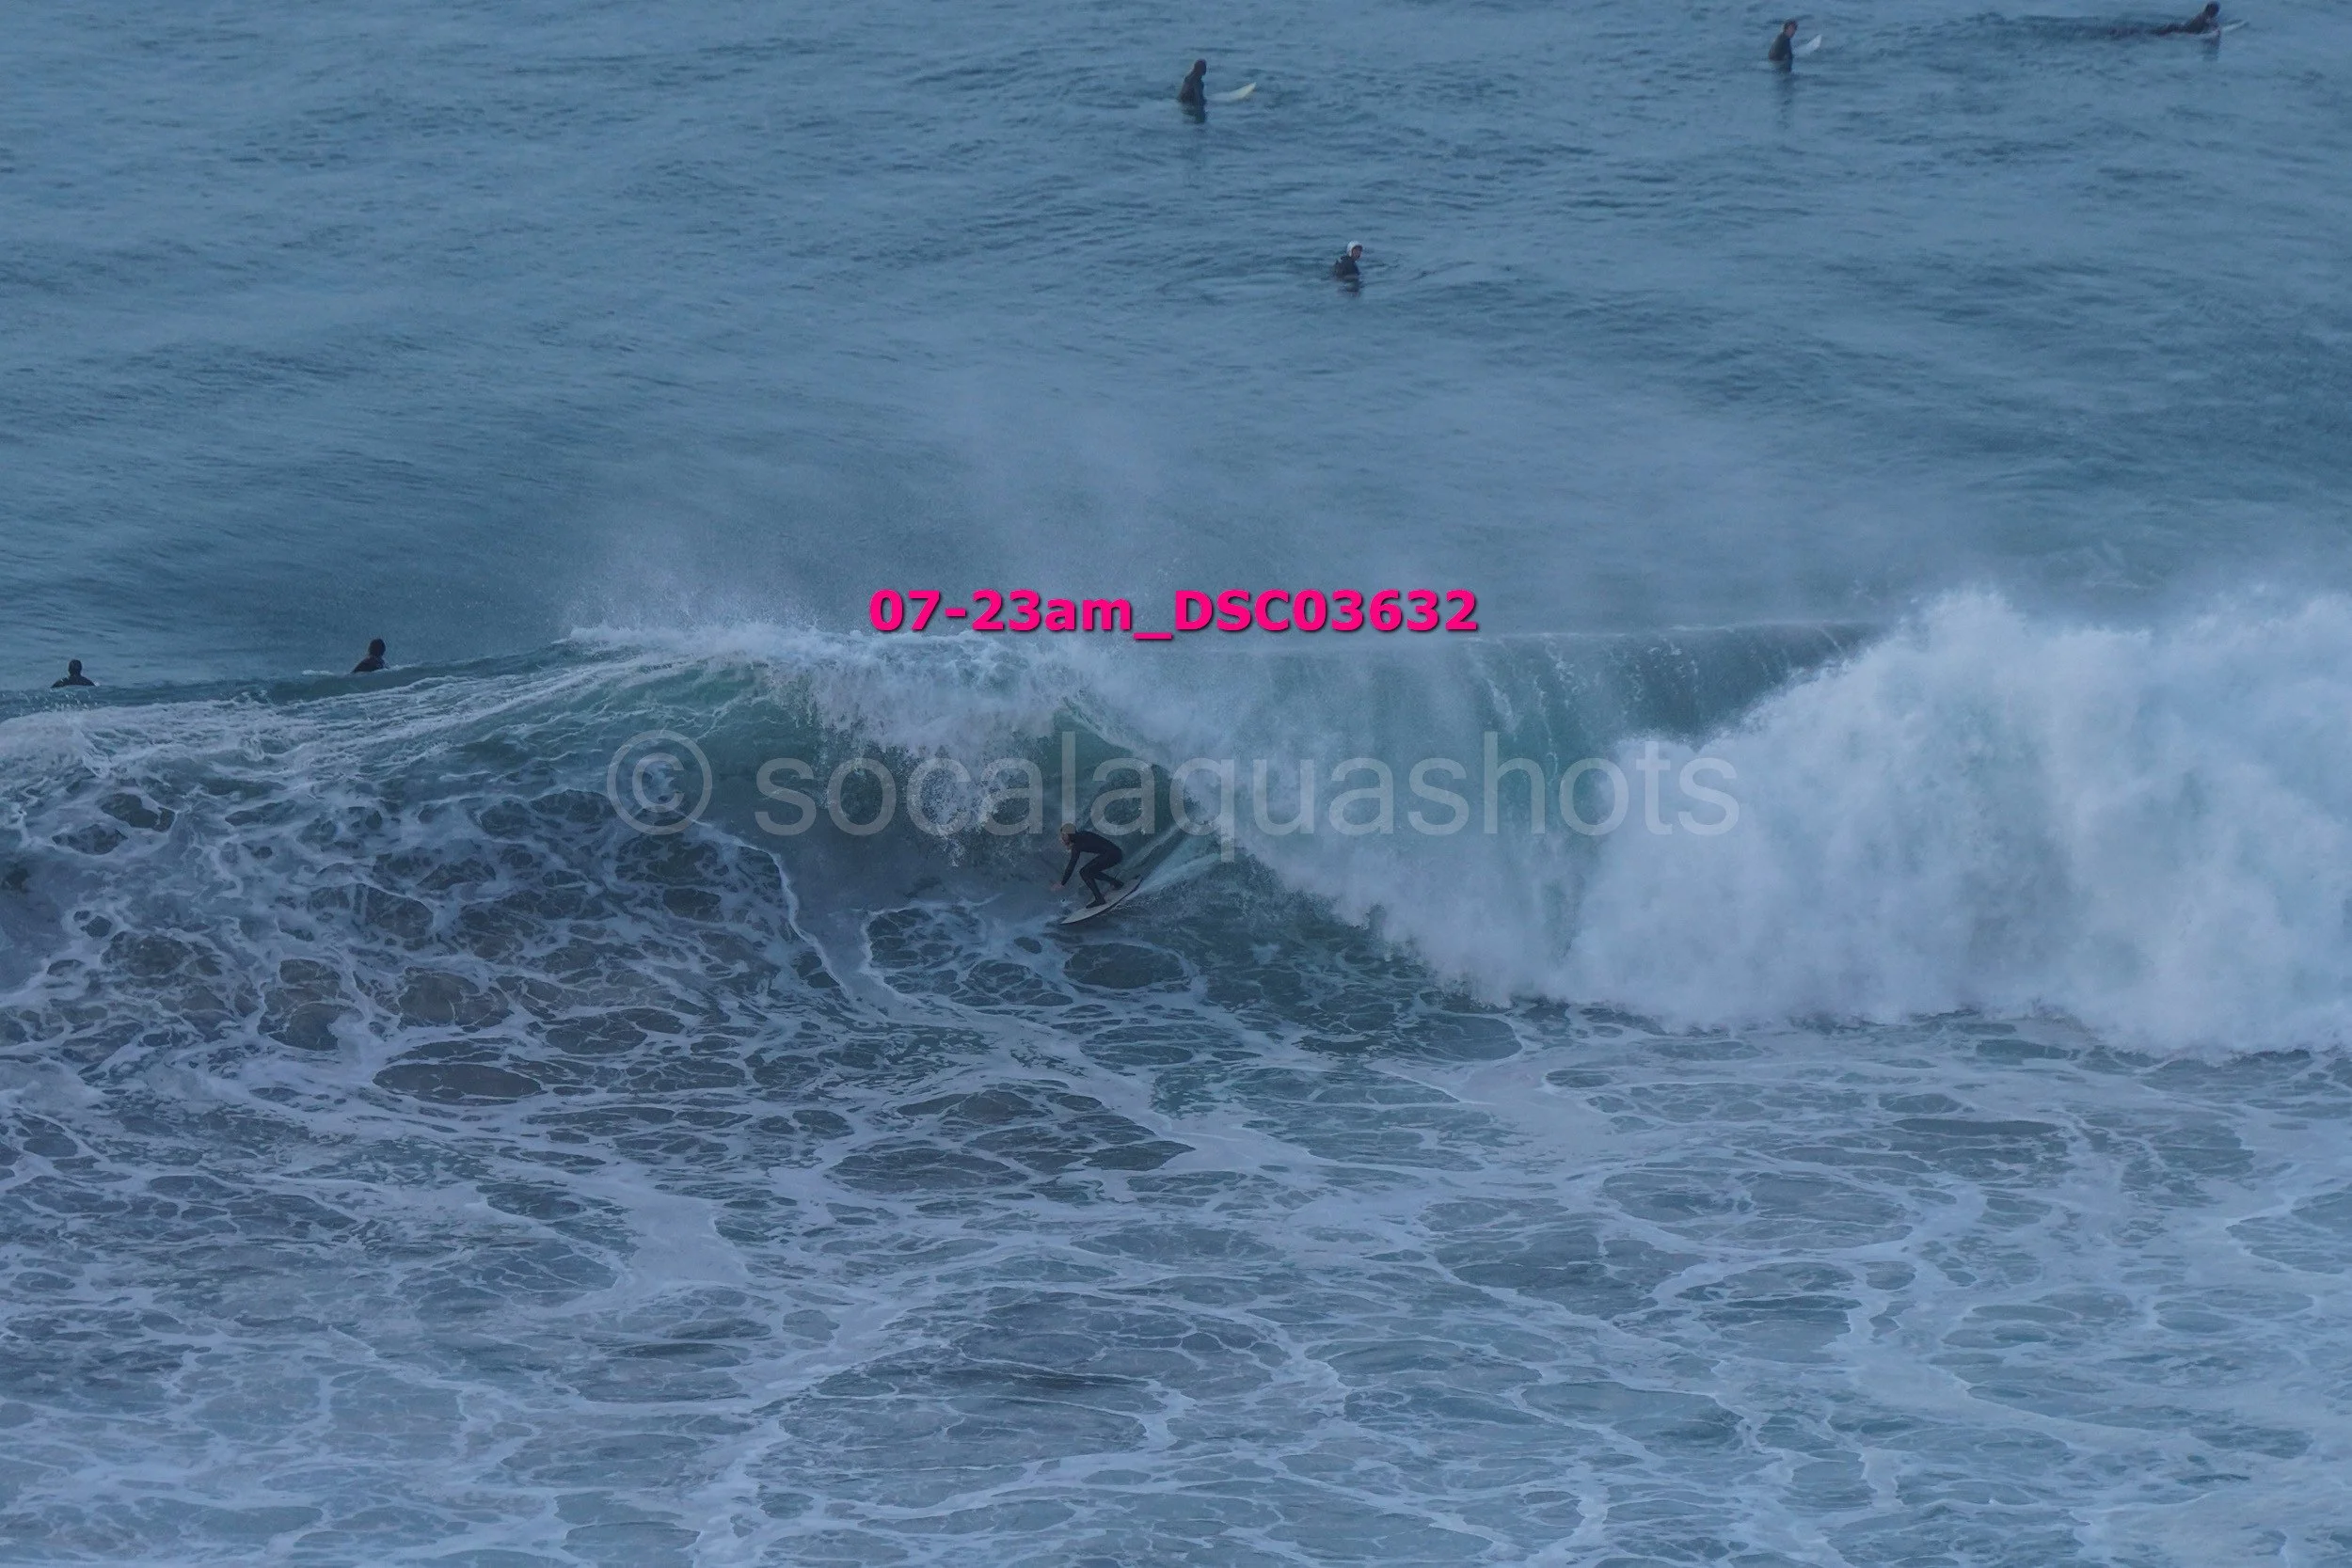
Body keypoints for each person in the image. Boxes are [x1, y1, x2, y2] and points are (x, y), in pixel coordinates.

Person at [1053, 823, 1126, 907]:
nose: (1061, 838)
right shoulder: (1083, 835)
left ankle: (1099, 899)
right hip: (1116, 853)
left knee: (1084, 872)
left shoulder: (1077, 845)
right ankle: (1116, 883)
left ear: (1069, 835)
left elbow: (1071, 865)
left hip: (1112, 855)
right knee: (1090, 871)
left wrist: (1062, 883)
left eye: (1063, 835)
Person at [2155, 3, 2219, 34]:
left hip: (2176, 27)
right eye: (2215, 10)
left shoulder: (2202, 15)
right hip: (2177, 29)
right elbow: (2212, 24)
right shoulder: (2205, 17)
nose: (2216, 12)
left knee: (2153, 34)